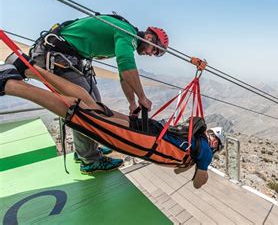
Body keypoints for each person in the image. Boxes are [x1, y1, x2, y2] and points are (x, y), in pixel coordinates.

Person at [0, 58, 220, 188]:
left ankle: (27, 68)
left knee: (90, 105)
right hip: (144, 141)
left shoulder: (192, 141)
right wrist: (203, 166)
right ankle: (10, 84)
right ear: (213, 142)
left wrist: (190, 162)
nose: (213, 147)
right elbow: (198, 182)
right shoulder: (204, 152)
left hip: (149, 129)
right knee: (81, 114)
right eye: (216, 145)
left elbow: (176, 169)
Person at [6, 14, 171, 174]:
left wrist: (133, 103)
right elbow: (125, 64)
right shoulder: (128, 34)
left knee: (96, 104)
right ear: (149, 37)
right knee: (85, 109)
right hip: (58, 54)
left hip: (67, 56)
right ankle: (90, 160)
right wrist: (142, 97)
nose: (152, 54)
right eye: (155, 50)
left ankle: (84, 149)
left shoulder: (125, 33)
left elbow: (123, 75)